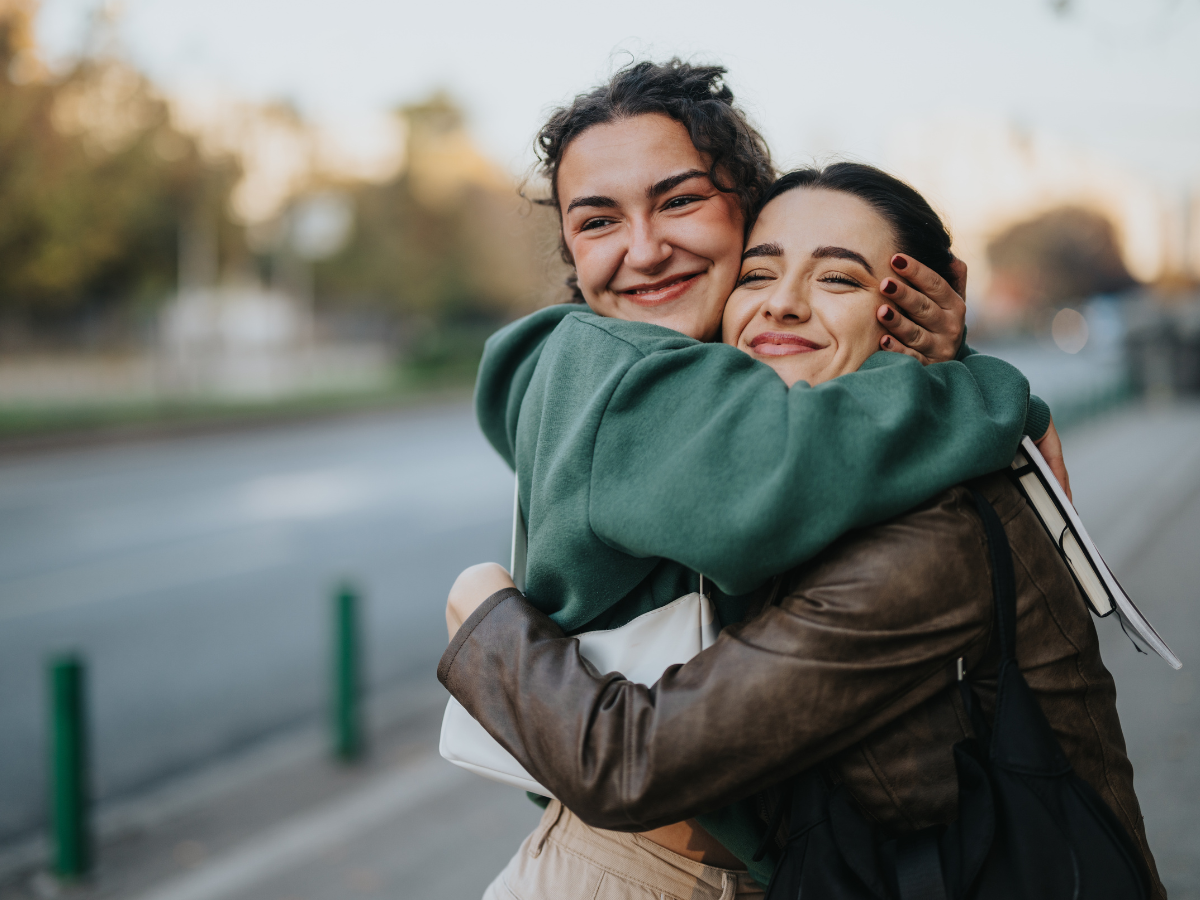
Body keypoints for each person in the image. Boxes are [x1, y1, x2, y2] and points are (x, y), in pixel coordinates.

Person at [442, 164, 1164, 899]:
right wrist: (978, 381)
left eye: (840, 281)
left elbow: (634, 765)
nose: (781, 306)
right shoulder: (822, 475)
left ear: (920, 310)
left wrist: (485, 618)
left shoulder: (922, 537)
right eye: (756, 275)